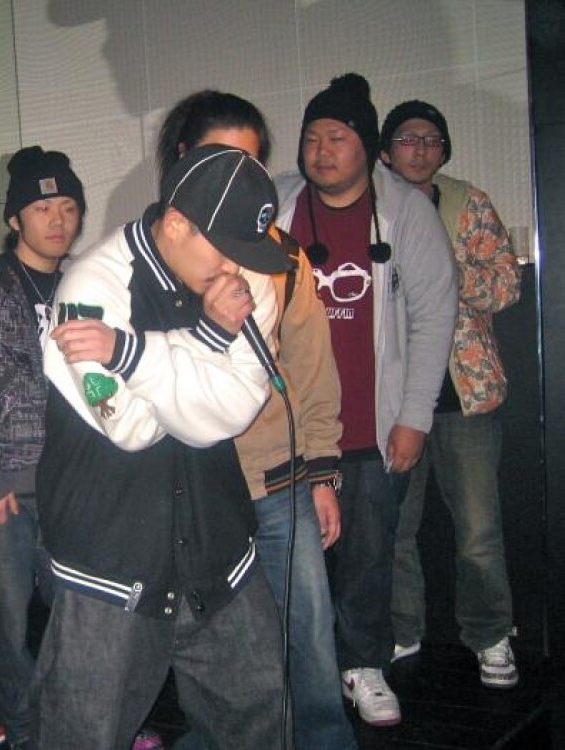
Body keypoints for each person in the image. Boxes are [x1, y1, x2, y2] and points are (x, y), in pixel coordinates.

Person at [34, 143, 294, 749]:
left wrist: (129, 353)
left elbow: (227, 414)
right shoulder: (88, 287)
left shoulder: (248, 277)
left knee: (262, 724)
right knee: (82, 734)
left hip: (218, 550)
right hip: (108, 565)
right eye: (224, 249)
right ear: (176, 223)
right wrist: (208, 338)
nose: (236, 270)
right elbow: (130, 428)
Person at [158, 90, 355, 749]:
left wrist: (322, 474)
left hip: (278, 482)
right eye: (219, 156)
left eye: (251, 160)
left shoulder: (282, 255)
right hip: (195, 490)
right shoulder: (151, 251)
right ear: (183, 158)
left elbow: (312, 367)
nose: (237, 174)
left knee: (310, 636)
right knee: (218, 651)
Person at [273, 73, 457, 727]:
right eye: (312, 137)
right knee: (296, 560)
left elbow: (434, 316)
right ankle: (303, 672)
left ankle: (363, 665)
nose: (321, 151)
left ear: (366, 145)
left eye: (338, 138)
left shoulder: (405, 210)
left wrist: (414, 416)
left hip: (373, 422)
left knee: (369, 554)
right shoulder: (278, 205)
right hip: (292, 427)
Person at [380, 100, 522, 688]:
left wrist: (446, 269)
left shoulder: (469, 203)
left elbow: (507, 284)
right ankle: (401, 631)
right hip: (391, 398)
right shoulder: (370, 206)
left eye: (431, 140)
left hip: (466, 394)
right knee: (392, 529)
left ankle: (491, 636)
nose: (420, 149)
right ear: (385, 149)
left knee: (479, 532)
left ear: (444, 150)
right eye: (407, 139)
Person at [0, 145, 85, 749]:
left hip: (76, 483)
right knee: (8, 629)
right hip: (9, 490)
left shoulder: (87, 280)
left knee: (79, 620)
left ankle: (76, 728)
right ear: (14, 219)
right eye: (42, 208)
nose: (58, 220)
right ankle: (25, 733)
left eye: (68, 207)